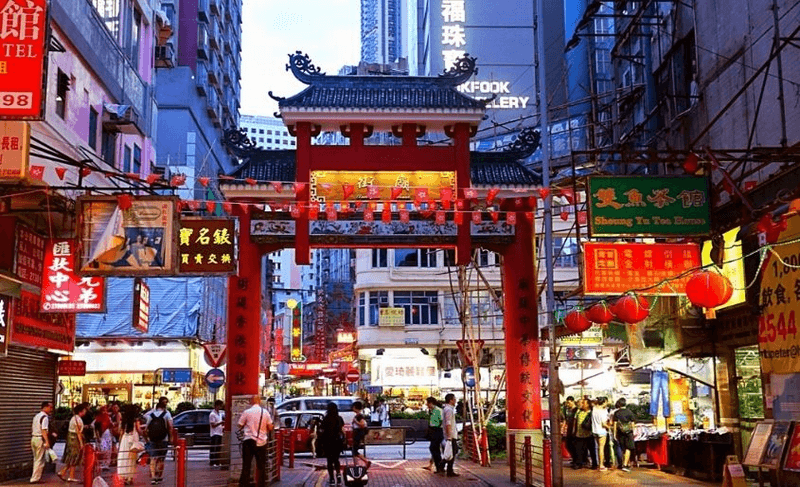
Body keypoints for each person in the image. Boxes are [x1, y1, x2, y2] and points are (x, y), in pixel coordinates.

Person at [237, 395, 273, 487]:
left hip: (248, 441)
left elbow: (239, 425)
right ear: (259, 401)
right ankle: (261, 484)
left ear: (251, 402)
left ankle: (244, 484)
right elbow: (270, 427)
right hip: (261, 442)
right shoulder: (265, 412)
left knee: (246, 465)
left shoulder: (247, 412)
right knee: (261, 466)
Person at [144, 396, 173, 484]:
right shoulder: (167, 414)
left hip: (153, 439)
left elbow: (145, 429)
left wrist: (147, 438)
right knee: (161, 458)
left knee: (153, 458)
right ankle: (158, 476)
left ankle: (153, 477)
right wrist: (171, 437)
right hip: (163, 439)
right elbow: (171, 427)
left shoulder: (151, 415)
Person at [58, 403, 87, 482]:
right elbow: (78, 432)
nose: (85, 412)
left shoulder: (73, 418)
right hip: (75, 440)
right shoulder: (78, 420)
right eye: (84, 410)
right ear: (81, 411)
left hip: (70, 439)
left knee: (71, 457)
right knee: (75, 457)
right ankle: (69, 475)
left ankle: (64, 472)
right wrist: (81, 443)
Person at [319, 402, 345, 486]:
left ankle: (332, 479)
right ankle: (338, 476)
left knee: (329, 461)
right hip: (337, 442)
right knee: (336, 459)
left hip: (328, 442)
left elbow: (322, 430)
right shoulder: (339, 418)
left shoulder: (326, 419)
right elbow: (342, 430)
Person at [117, 404, 143, 485]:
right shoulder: (136, 420)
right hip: (133, 438)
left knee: (124, 457)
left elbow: (120, 432)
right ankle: (129, 477)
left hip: (125, 439)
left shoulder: (124, 420)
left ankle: (124, 476)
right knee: (132, 459)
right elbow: (139, 430)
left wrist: (120, 441)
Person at [30, 401, 54, 484]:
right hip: (40, 439)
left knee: (36, 458)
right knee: (39, 460)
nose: (51, 409)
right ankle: (35, 478)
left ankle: (35, 476)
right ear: (45, 407)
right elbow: (44, 430)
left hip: (34, 438)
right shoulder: (45, 417)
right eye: (50, 407)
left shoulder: (36, 416)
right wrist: (47, 442)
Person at [612, 398, 636, 472]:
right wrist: (633, 431)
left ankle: (623, 463)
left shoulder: (616, 413)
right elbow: (632, 423)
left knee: (623, 448)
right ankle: (625, 465)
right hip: (629, 432)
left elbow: (615, 424)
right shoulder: (629, 412)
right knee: (628, 448)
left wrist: (614, 433)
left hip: (620, 432)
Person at [573, 398, 595, 469]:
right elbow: (575, 421)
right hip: (579, 435)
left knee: (592, 450)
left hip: (589, 435)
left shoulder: (591, 412)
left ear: (588, 405)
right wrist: (574, 430)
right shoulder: (578, 411)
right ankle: (579, 463)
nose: (582, 404)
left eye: (584, 403)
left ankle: (594, 464)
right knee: (578, 450)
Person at [424, 397, 444, 473]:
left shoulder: (438, 410)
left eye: (428, 403)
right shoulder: (431, 411)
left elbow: (442, 421)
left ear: (431, 403)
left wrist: (438, 426)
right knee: (434, 448)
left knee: (434, 448)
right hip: (432, 429)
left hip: (437, 430)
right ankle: (438, 466)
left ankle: (439, 466)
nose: (427, 405)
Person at [442, 393, 459, 477]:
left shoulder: (448, 409)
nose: (455, 400)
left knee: (452, 451)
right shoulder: (448, 410)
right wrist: (449, 435)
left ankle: (444, 466)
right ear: (451, 400)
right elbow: (448, 423)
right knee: (453, 451)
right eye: (454, 399)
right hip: (451, 435)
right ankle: (447, 468)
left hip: (451, 434)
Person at [591, 397, 610, 471]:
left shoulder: (594, 409)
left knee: (598, 448)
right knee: (601, 448)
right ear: (604, 402)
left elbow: (592, 402)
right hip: (602, 431)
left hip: (594, 430)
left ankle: (599, 463)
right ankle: (601, 465)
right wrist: (609, 427)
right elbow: (604, 424)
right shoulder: (603, 411)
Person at [93, 405, 114, 470]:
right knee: (102, 449)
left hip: (107, 435)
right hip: (102, 435)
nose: (105, 412)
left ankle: (106, 464)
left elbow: (111, 426)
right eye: (103, 410)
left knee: (107, 450)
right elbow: (96, 428)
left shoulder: (108, 418)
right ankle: (101, 463)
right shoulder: (98, 418)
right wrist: (98, 436)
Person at [351, 401, 371, 467]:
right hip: (357, 433)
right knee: (354, 450)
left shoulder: (359, 416)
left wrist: (356, 422)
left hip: (358, 434)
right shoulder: (358, 415)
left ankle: (365, 461)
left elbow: (362, 425)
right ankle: (356, 464)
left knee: (354, 450)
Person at [561, 397, 578, 468]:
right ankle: (574, 458)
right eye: (567, 403)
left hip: (574, 430)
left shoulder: (576, 410)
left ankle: (576, 460)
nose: (568, 404)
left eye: (569, 402)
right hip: (568, 430)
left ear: (573, 401)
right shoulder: (567, 410)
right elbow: (566, 419)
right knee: (568, 444)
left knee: (574, 445)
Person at [209, 400, 225, 468]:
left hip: (219, 432)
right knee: (214, 448)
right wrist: (220, 423)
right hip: (214, 433)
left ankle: (217, 461)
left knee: (218, 448)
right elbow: (213, 425)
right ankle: (213, 462)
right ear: (216, 406)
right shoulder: (212, 414)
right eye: (219, 406)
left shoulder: (220, 413)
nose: (220, 407)